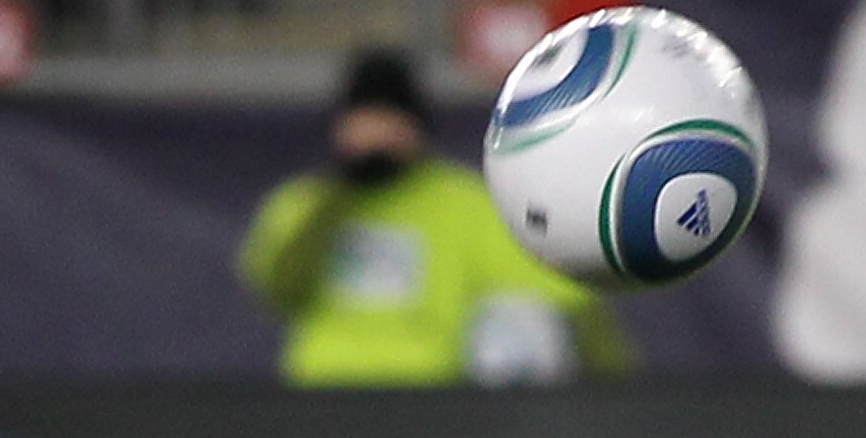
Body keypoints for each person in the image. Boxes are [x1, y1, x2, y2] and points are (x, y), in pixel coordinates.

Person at [239, 48, 633, 387]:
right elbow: (274, 282)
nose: (376, 134)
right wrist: (330, 209)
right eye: (363, 120)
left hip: (432, 404)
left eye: (389, 120)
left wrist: (617, 385)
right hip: (323, 397)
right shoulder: (306, 204)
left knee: (519, 325)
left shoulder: (463, 202)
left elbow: (563, 295)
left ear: (416, 127)